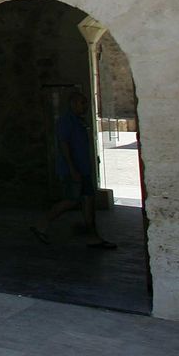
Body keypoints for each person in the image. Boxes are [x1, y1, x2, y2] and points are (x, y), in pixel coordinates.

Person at [31, 89, 116, 249]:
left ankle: (93, 236)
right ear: (73, 103)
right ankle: (41, 224)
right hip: (74, 169)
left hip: (83, 169)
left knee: (87, 201)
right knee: (71, 200)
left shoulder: (79, 121)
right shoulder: (66, 121)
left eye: (85, 103)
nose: (85, 106)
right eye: (82, 103)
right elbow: (64, 145)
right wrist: (72, 168)